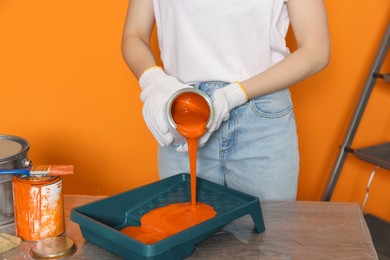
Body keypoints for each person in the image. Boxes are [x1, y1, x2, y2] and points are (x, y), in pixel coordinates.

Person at [121, 0, 329, 201]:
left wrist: (234, 95)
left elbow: (315, 50)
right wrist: (153, 80)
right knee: (183, 231)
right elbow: (134, 34)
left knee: (271, 232)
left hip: (262, 118)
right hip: (185, 112)